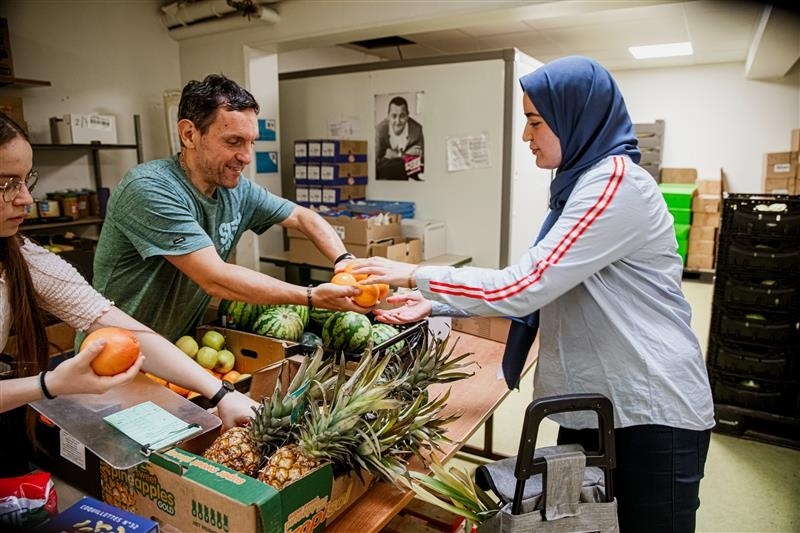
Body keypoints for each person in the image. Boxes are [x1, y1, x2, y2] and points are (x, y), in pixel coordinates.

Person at [353, 56, 714, 532]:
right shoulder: (579, 186)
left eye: (535, 122)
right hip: (596, 401)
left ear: (574, 118)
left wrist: (412, 274)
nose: (527, 136)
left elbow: (526, 285)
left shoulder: (614, 186)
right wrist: (436, 302)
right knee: (582, 523)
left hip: (650, 409)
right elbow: (542, 282)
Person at [0, 112, 257, 478]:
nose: (25, 198)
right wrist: (50, 383)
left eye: (26, 180)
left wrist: (221, 394)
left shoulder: (23, 258)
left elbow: (124, 331)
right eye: (6, 184)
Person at [90, 74, 364, 346]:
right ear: (189, 134)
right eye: (234, 142)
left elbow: (303, 217)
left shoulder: (237, 190)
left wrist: (344, 260)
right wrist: (310, 296)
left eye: (250, 142)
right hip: (111, 351)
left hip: (175, 349)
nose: (246, 157)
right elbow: (214, 278)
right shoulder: (150, 188)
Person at [375, 96, 424, 181]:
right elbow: (375, 166)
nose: (397, 122)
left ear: (407, 116)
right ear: (388, 116)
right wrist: (408, 156)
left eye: (402, 116)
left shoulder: (417, 130)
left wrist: (397, 155)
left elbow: (421, 164)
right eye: (394, 116)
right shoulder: (379, 130)